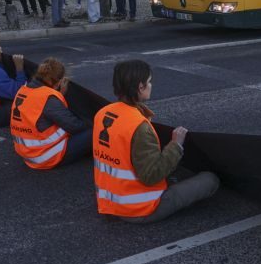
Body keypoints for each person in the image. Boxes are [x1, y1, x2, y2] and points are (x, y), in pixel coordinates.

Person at [93, 60, 218, 222]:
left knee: (175, 173)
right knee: (210, 179)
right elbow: (150, 176)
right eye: (149, 82)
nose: (151, 85)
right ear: (140, 87)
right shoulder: (138, 127)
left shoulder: (102, 113)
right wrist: (176, 145)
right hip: (138, 208)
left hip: (109, 200)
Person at [10, 58, 91, 169]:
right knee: (94, 133)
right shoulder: (49, 99)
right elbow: (75, 127)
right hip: (44, 156)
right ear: (58, 82)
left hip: (26, 154)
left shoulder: (23, 89)